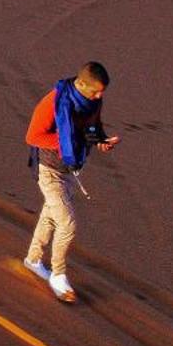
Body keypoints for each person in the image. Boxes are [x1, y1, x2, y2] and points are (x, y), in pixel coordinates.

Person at [22, 61, 122, 302]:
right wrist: (69, 140)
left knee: (50, 215)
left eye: (102, 93)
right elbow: (33, 136)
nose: (99, 96)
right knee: (67, 224)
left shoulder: (93, 102)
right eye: (95, 91)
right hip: (48, 171)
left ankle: (33, 260)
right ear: (81, 84)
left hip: (69, 169)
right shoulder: (53, 102)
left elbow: (92, 128)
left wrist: (101, 140)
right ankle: (58, 275)